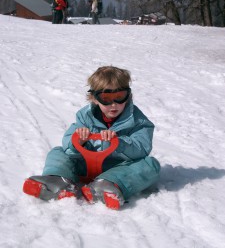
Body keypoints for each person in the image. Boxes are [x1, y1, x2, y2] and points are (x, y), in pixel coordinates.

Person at [23, 66, 160, 209]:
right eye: (106, 99)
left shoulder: (138, 120)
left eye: (120, 97)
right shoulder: (85, 116)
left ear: (128, 95)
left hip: (118, 167)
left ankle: (108, 185)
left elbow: (142, 148)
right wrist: (79, 141)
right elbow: (68, 145)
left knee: (151, 164)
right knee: (58, 151)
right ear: (95, 98)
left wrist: (119, 143)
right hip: (85, 164)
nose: (114, 104)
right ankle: (58, 180)